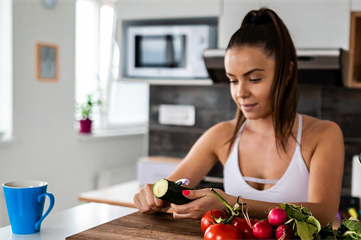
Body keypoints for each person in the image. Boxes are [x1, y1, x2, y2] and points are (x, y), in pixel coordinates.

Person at [133, 7, 344, 225]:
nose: (240, 93)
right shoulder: (221, 135)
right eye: (233, 80)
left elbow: (324, 213)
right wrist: (153, 196)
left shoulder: (324, 135)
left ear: (287, 73)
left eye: (254, 79)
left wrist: (231, 203)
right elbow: (171, 189)